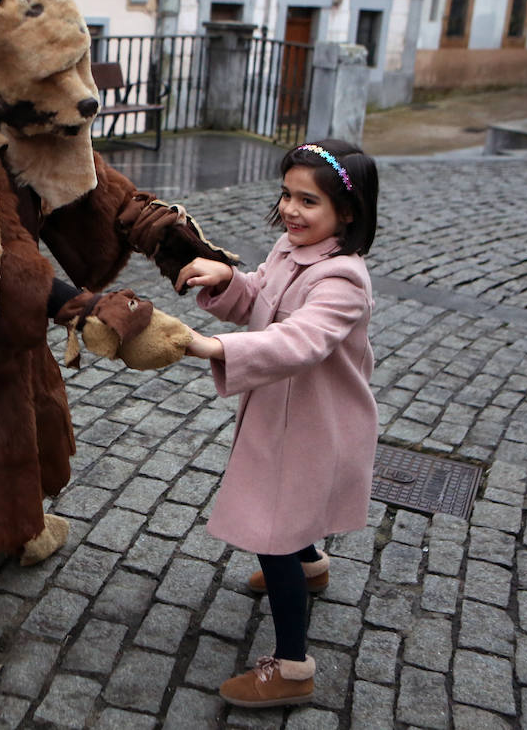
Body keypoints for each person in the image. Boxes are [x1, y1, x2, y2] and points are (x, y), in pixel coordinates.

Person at [175, 139, 380, 709]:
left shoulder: (341, 279)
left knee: (272, 530)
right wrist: (225, 280)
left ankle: (293, 666)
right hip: (281, 412)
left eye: (308, 201)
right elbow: (259, 297)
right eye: (286, 194)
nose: (291, 210)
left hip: (316, 424)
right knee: (288, 510)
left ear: (347, 212)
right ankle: (311, 563)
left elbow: (298, 341)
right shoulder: (291, 250)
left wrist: (208, 346)